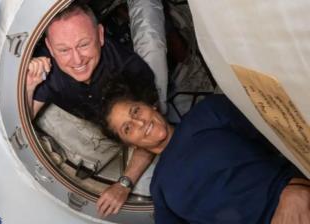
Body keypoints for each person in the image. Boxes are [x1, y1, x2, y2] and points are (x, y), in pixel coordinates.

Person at [98, 78, 310, 223]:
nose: (139, 122)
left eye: (135, 111)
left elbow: (284, 135)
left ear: (151, 105)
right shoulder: (159, 189)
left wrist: (296, 188)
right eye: (128, 128)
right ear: (131, 145)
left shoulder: (208, 113)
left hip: (288, 203)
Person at [26, 2, 158, 217]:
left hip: (117, 135)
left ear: (100, 35)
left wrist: (124, 184)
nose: (77, 60)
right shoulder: (46, 68)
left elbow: (153, 134)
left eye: (84, 44)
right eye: (64, 50)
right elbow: (22, 121)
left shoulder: (132, 70)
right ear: (50, 48)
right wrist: (30, 84)